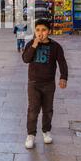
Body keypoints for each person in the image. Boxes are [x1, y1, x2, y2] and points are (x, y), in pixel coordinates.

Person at [21, 18, 68, 149]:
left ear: (49, 31)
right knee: (33, 110)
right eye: (37, 30)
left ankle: (46, 131)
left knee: (48, 110)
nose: (40, 33)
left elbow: (62, 63)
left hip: (48, 84)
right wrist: (34, 45)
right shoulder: (31, 44)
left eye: (44, 30)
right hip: (34, 83)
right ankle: (31, 134)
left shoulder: (55, 47)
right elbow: (26, 59)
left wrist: (63, 77)